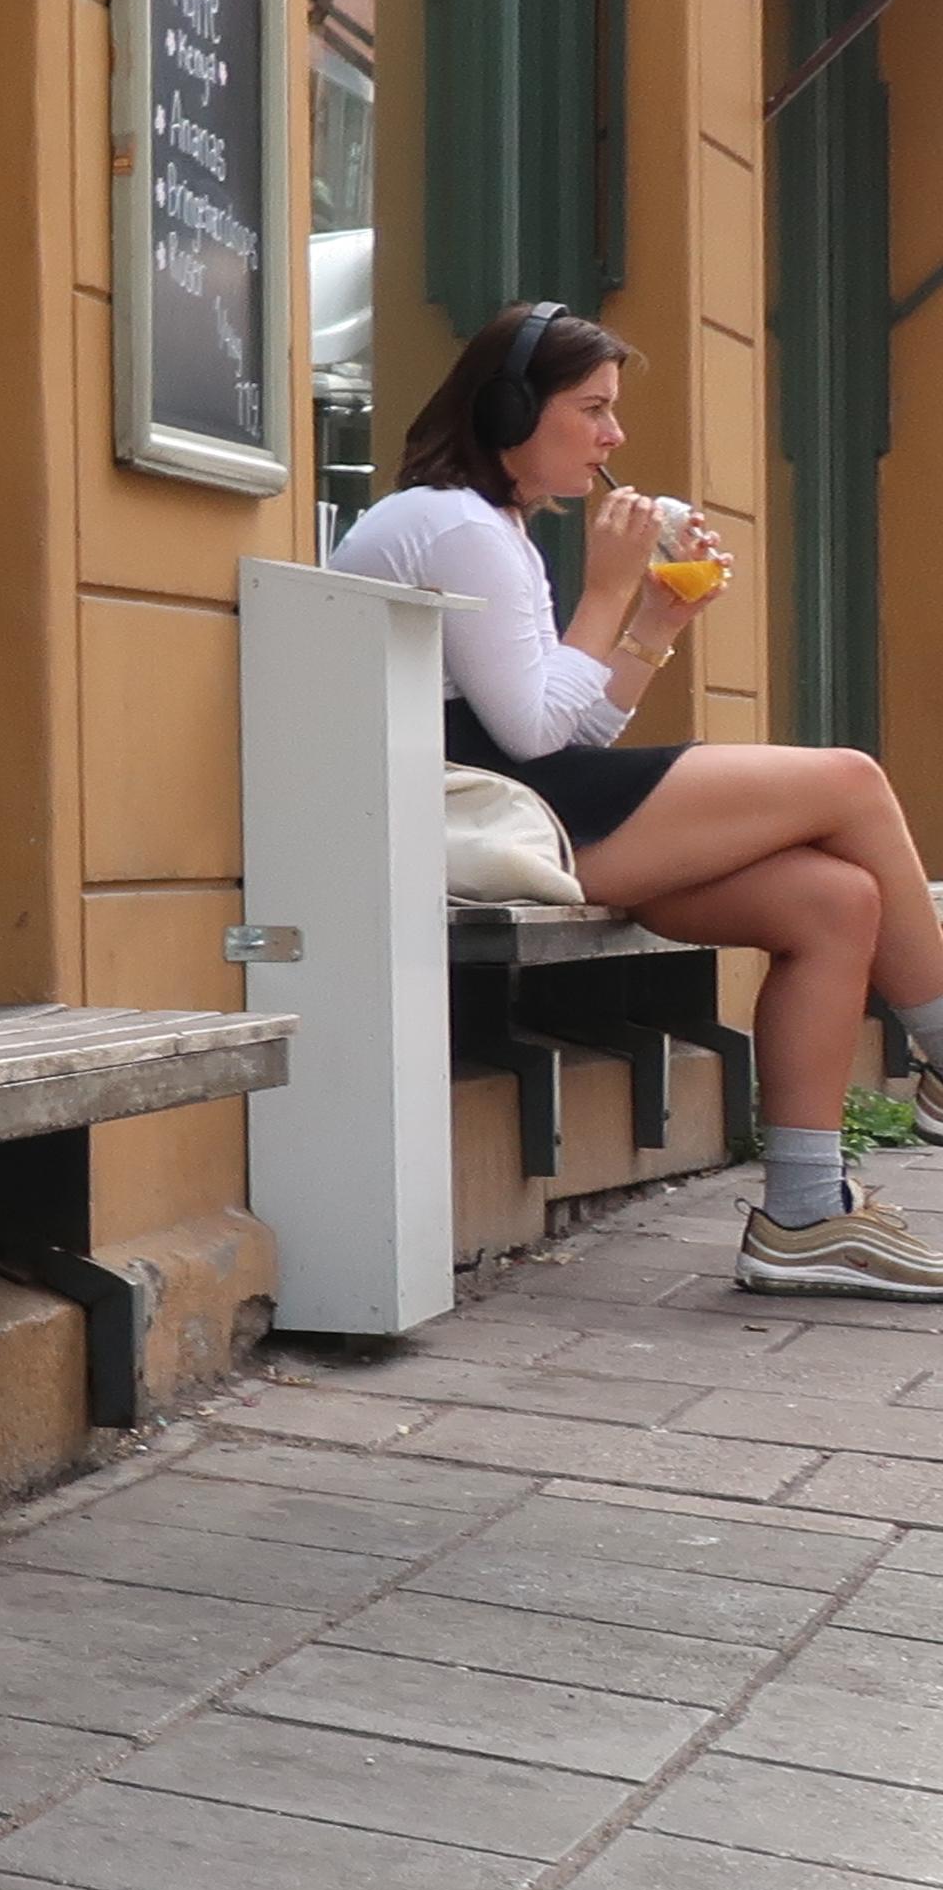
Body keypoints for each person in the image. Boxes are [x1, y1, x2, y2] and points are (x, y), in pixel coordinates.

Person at [332, 301, 943, 1295]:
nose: (615, 438)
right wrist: (611, 593)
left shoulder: (491, 526)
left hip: (525, 802)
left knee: (837, 902)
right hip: (497, 813)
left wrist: (653, 618)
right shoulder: (454, 522)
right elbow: (536, 735)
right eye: (593, 408)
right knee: (850, 781)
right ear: (508, 409)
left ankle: (805, 1215)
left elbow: (577, 724)